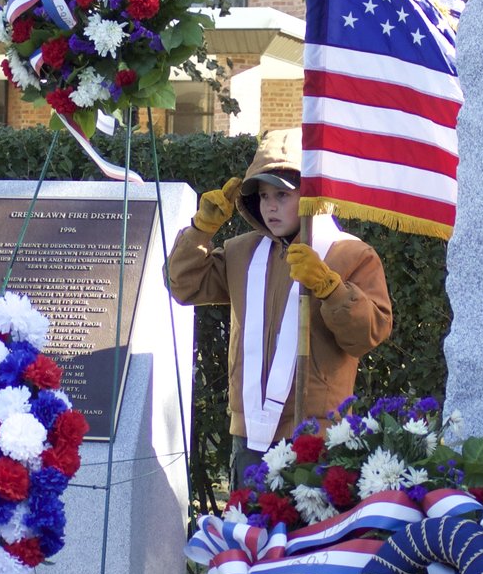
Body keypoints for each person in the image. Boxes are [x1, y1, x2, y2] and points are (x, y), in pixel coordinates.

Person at [166, 128, 393, 484]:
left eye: (283, 195)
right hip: (249, 436)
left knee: (310, 540)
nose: (270, 206)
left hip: (317, 436)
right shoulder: (242, 250)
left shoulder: (351, 254)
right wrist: (200, 229)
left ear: (312, 196)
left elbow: (367, 335)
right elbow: (183, 284)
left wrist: (330, 288)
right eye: (263, 196)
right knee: (251, 538)